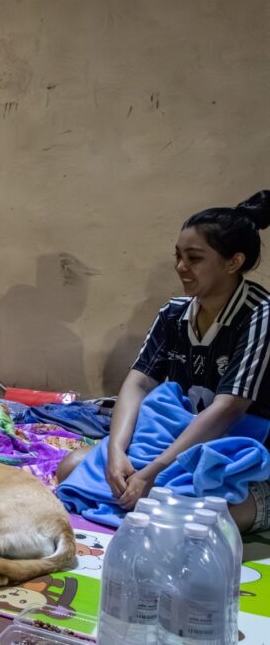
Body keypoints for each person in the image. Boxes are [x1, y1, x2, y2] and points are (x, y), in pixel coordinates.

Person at [60, 192, 270, 533]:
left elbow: (228, 409)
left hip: (233, 449)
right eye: (178, 256)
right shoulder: (174, 313)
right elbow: (138, 382)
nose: (181, 267)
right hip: (176, 441)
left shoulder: (259, 316)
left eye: (194, 258)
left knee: (190, 517)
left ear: (234, 262)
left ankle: (260, 502)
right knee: (71, 467)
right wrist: (116, 451)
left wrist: (153, 470)